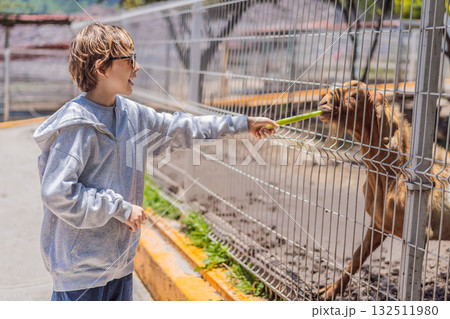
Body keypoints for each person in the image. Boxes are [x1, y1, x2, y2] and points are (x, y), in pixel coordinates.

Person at [33, 23, 278, 301]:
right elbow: (57, 192)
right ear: (101, 68)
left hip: (121, 267)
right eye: (130, 60)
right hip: (80, 276)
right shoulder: (76, 126)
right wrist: (120, 209)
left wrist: (243, 123)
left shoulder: (132, 115)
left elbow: (182, 127)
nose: (137, 68)